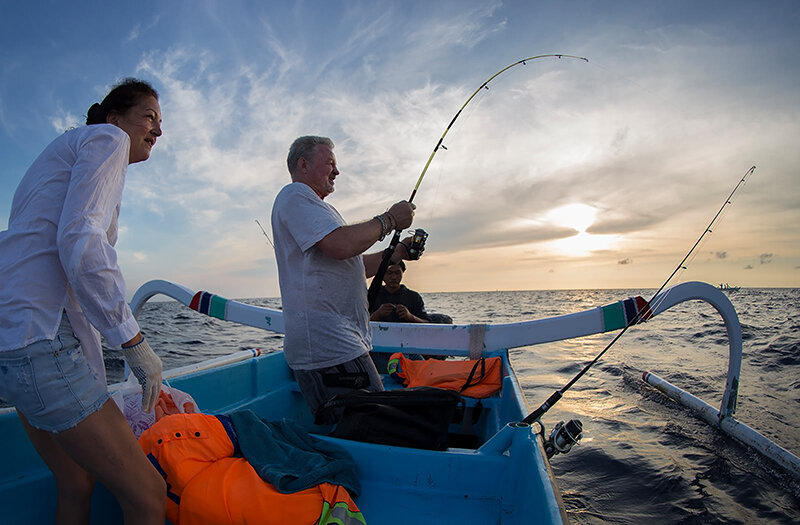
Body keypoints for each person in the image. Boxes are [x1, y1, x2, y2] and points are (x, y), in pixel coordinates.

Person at [0, 78, 166, 523]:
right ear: (115, 118)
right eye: (149, 116)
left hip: (12, 342)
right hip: (41, 340)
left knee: (75, 481)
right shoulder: (107, 138)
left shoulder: (54, 158)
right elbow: (80, 239)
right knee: (149, 495)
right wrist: (133, 342)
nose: (158, 130)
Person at [271, 135, 417, 422]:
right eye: (330, 163)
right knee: (378, 429)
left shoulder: (317, 208)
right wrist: (389, 220)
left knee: (360, 431)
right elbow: (340, 245)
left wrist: (397, 252)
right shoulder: (295, 195)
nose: (336, 172)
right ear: (303, 164)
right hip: (331, 348)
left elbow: (352, 264)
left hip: (342, 343)